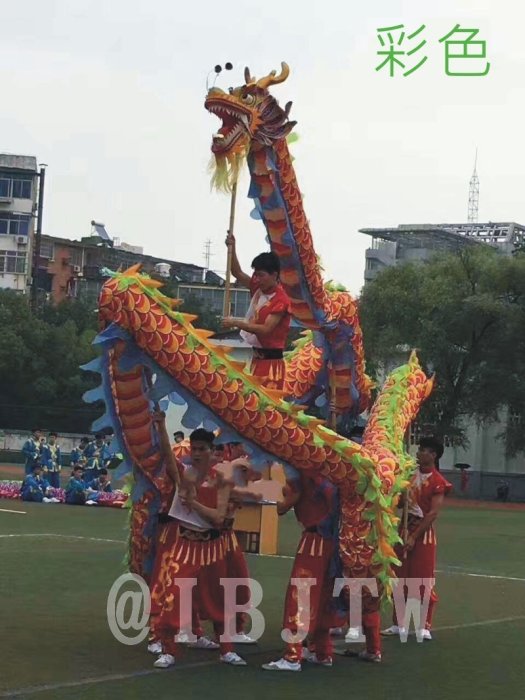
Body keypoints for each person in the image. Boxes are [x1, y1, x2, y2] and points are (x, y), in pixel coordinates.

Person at [149, 425, 246, 669]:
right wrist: (161, 426)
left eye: (202, 449)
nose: (197, 453)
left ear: (212, 451)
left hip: (212, 547)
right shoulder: (185, 474)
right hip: (185, 545)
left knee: (219, 598)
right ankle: (168, 650)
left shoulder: (222, 479)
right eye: (194, 449)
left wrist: (193, 503)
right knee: (173, 597)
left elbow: (218, 518)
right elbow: (168, 458)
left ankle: (226, 650)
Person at [262, 472, 340, 672]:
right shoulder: (334, 473)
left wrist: (282, 491)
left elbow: (282, 507)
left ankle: (293, 655)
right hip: (336, 543)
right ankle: (322, 651)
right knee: (324, 598)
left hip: (313, 542)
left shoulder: (300, 476)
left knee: (300, 596)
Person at [382, 436, 452, 641]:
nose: (419, 453)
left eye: (424, 450)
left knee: (422, 579)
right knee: (399, 576)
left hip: (423, 533)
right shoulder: (409, 476)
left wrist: (414, 536)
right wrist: (399, 494)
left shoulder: (438, 482)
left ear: (433, 455)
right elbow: (402, 504)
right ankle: (398, 622)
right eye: (419, 449)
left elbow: (432, 513)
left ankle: (424, 624)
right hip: (403, 528)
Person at [222, 232, 291, 390]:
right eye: (255, 275)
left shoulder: (281, 300)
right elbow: (237, 273)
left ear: (274, 275)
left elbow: (266, 329)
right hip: (256, 359)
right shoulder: (259, 288)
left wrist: (236, 323)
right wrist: (232, 247)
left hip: (271, 366)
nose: (257, 279)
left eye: (261, 275)